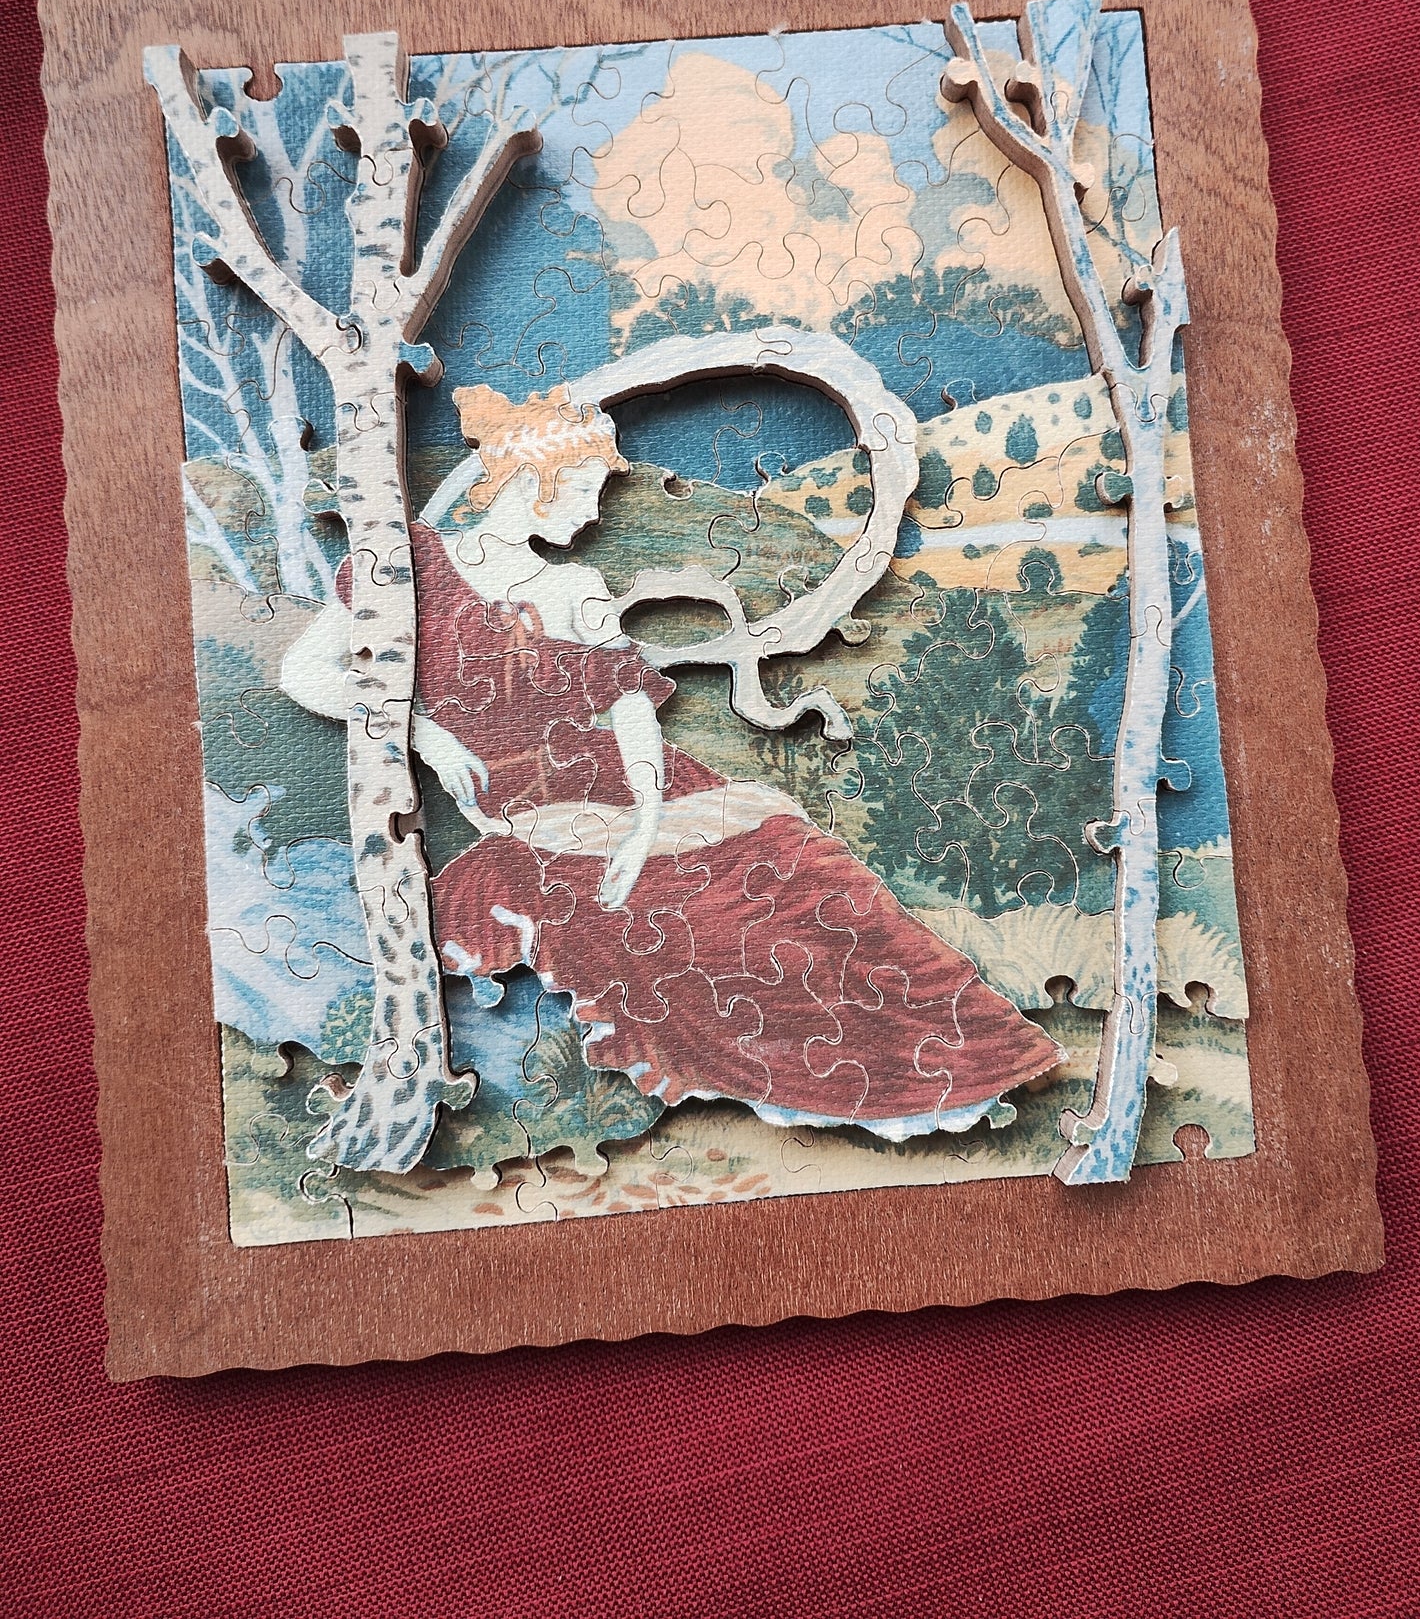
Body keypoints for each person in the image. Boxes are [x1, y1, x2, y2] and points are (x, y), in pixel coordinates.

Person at [281, 382, 1064, 1141]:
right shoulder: (412, 565)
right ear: (531, 481)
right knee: (705, 931)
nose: (594, 511)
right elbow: (305, 672)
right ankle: (859, 1079)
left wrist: (647, 821)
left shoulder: (575, 584)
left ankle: (972, 1053)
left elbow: (628, 705)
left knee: (808, 867)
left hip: (631, 783)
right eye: (583, 489)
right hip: (531, 808)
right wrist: (423, 733)